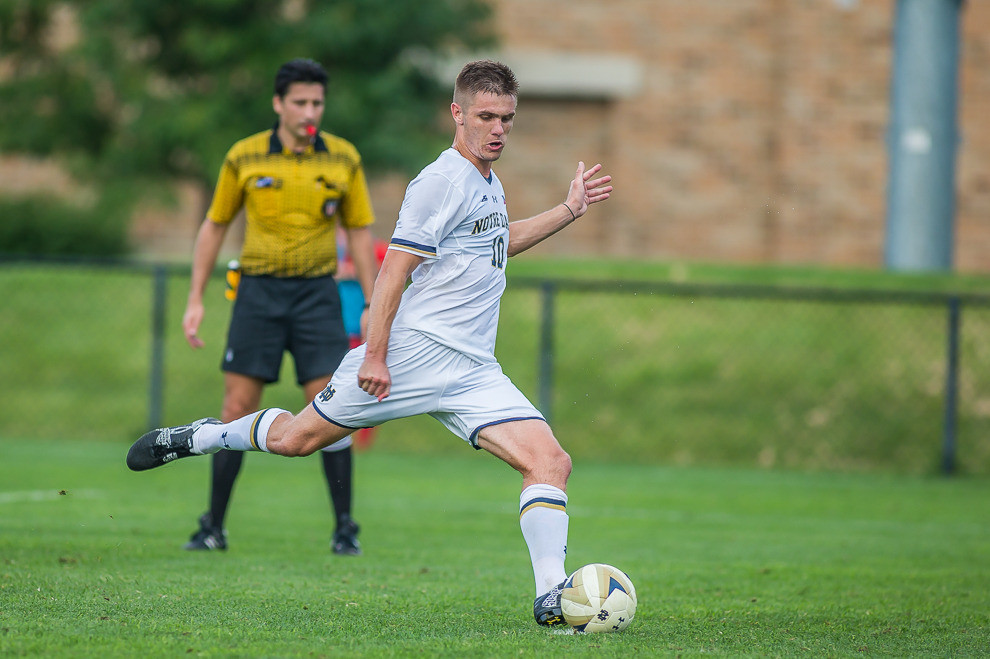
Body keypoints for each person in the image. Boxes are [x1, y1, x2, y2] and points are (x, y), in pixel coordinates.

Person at [128, 59, 613, 626]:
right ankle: (203, 437)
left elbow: (500, 242)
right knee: (296, 440)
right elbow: (392, 272)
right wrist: (377, 354)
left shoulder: (487, 180)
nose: (498, 128)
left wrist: (569, 209)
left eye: (507, 118)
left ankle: (551, 598)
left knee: (550, 461)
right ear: (457, 114)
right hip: (410, 355)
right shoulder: (440, 181)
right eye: (486, 116)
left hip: (474, 370)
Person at [178, 58, 378, 555]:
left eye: (318, 102)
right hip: (258, 295)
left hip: (317, 295)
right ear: (278, 104)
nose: (311, 111)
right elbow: (214, 225)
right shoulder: (244, 157)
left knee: (332, 410)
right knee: (236, 408)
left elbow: (359, 233)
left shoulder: (344, 159)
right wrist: (195, 298)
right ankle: (212, 527)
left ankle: (344, 530)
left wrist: (374, 303)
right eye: (301, 102)